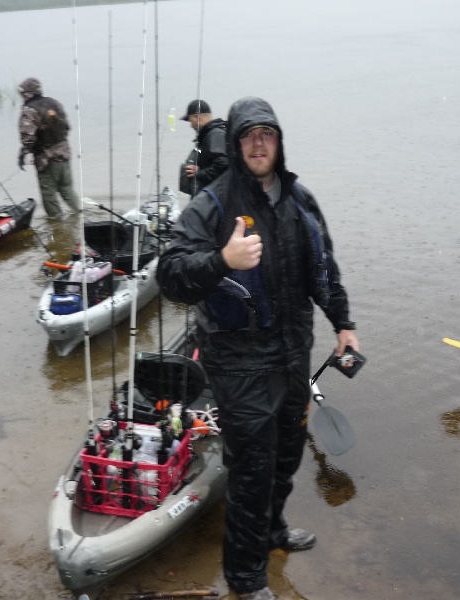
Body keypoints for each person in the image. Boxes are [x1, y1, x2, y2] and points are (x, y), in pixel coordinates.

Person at [157, 97, 359, 600]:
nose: (258, 143)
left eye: (266, 134)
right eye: (248, 135)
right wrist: (222, 259)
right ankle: (246, 582)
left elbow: (325, 270)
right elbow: (171, 274)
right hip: (238, 363)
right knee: (252, 471)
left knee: (288, 455)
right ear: (236, 142)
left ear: (279, 141)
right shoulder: (214, 203)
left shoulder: (300, 200)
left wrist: (344, 324)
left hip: (293, 354)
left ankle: (272, 533)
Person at [17, 77, 81, 218]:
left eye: (22, 93)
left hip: (46, 160)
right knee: (67, 189)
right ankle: (80, 216)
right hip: (64, 154)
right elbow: (67, 127)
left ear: (27, 94)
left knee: (48, 195)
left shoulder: (29, 110)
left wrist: (22, 155)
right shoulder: (55, 103)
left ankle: (57, 225)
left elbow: (27, 138)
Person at [179, 99, 228, 197]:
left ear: (197, 117)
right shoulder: (210, 134)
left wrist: (200, 173)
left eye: (190, 120)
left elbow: (224, 164)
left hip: (215, 199)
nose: (190, 125)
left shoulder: (215, 135)